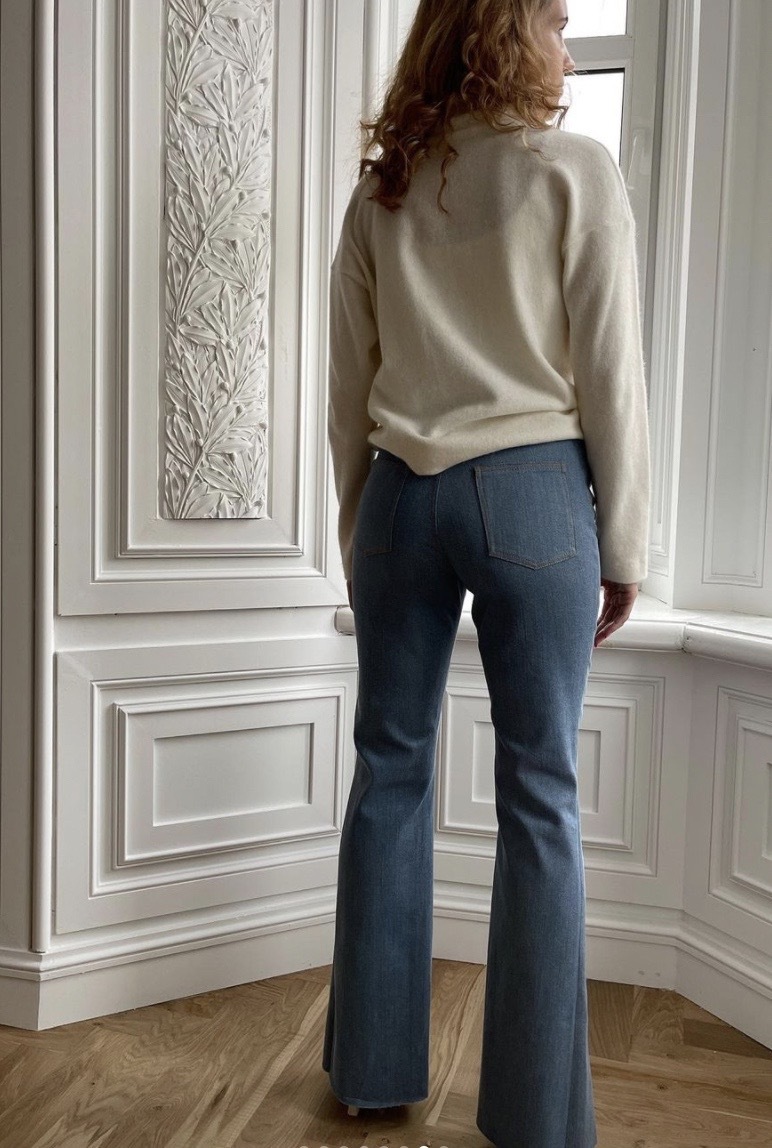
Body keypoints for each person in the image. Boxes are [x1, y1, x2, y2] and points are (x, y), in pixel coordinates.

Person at [322, 0, 650, 1144]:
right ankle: (532, 1116)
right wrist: (626, 545)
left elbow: (348, 389)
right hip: (533, 491)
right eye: (553, 20)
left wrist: (362, 529)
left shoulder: (382, 192)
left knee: (388, 769)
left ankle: (370, 1072)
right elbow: (610, 371)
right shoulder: (571, 171)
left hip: (399, 498)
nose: (566, 44)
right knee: (540, 792)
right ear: (503, 31)